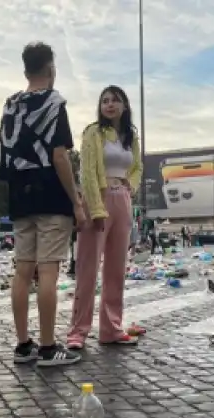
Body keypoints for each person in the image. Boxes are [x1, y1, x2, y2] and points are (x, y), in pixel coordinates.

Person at [0, 42, 85, 366]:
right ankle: (48, 347)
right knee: (48, 269)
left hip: (20, 195)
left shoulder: (10, 106)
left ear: (25, 71)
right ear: (50, 69)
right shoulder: (53, 103)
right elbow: (60, 155)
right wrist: (75, 200)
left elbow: (4, 153)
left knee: (22, 270)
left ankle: (23, 345)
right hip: (49, 193)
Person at [66, 85, 142, 350]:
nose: (109, 105)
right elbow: (87, 172)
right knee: (88, 268)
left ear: (124, 106)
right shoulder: (93, 133)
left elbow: (137, 167)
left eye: (115, 101)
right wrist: (96, 209)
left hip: (122, 199)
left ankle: (111, 328)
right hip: (97, 198)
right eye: (105, 101)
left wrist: (131, 186)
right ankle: (78, 331)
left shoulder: (129, 137)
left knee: (116, 269)